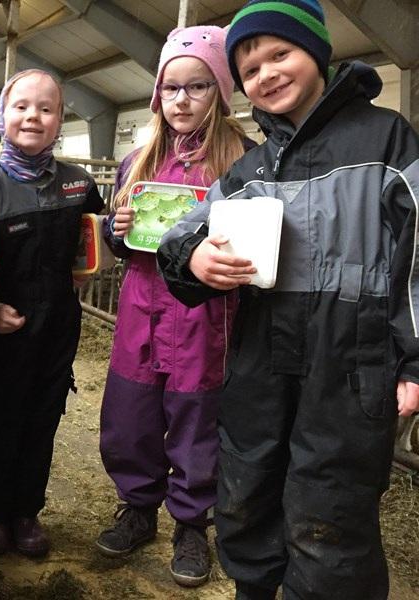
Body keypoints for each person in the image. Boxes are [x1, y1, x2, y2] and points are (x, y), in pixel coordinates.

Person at [156, 2, 419, 599]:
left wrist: (415, 356)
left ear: (318, 54)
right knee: (246, 489)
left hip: (351, 361)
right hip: (260, 358)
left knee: (329, 509)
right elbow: (178, 236)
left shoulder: (385, 140)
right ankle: (254, 589)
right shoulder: (251, 167)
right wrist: (196, 258)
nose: (267, 74)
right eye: (250, 69)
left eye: (281, 54)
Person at [95, 25, 254, 588]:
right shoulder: (138, 160)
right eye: (171, 88)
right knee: (129, 417)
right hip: (141, 308)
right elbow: (121, 241)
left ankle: (191, 521)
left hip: (206, 317)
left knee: (196, 423)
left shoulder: (244, 162)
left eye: (198, 87)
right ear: (156, 95)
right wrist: (116, 232)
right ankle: (137, 507)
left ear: (221, 93)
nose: (181, 100)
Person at [0, 69, 105, 558]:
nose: (34, 115)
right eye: (22, 106)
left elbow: (94, 237)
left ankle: (27, 511)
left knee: (44, 416)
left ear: (60, 121)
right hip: (8, 326)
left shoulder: (78, 183)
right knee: (3, 416)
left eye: (46, 108)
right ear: (2, 116)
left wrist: (94, 260)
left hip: (60, 324)